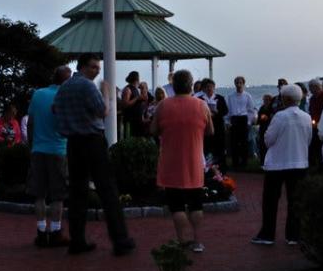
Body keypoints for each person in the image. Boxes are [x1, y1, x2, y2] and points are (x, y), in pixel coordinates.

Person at [54, 53, 135, 256]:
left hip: (73, 143)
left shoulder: (64, 87)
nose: (97, 70)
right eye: (93, 67)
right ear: (81, 66)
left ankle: (77, 240)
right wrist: (106, 94)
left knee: (77, 193)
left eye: (98, 67)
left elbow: (54, 108)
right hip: (92, 141)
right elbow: (102, 111)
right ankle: (120, 240)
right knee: (107, 190)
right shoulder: (88, 86)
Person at [151, 69, 213, 253]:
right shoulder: (202, 105)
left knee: (176, 205)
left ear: (174, 85)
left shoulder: (163, 106)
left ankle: (181, 240)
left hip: (171, 161)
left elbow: (153, 130)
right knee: (196, 204)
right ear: (191, 84)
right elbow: (210, 131)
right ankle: (198, 241)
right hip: (194, 160)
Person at [252, 84, 311, 246]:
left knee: (270, 201)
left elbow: (269, 139)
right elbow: (308, 140)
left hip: (277, 164)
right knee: (295, 200)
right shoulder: (306, 117)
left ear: (286, 99)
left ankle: (267, 234)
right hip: (299, 163)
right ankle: (293, 234)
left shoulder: (279, 116)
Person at [27, 66, 72, 248]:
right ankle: (56, 231)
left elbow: (30, 122)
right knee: (58, 195)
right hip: (58, 150)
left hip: (38, 149)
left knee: (39, 194)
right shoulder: (65, 98)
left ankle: (40, 232)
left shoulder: (38, 94)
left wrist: (32, 145)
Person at [203, 79, 228, 170]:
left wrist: (217, 111)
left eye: (211, 87)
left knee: (219, 148)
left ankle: (221, 168)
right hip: (206, 127)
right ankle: (207, 168)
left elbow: (225, 111)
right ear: (204, 89)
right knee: (207, 148)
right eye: (207, 87)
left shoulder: (220, 98)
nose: (209, 88)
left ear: (214, 87)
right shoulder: (201, 99)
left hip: (218, 126)